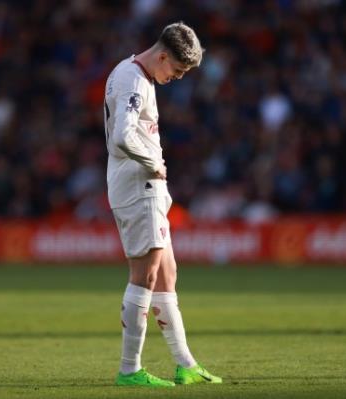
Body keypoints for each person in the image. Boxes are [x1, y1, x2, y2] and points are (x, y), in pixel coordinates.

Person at [103, 22, 222, 387]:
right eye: (177, 70)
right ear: (162, 55)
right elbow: (122, 137)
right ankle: (129, 369)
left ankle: (185, 363)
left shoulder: (129, 73)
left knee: (167, 273)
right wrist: (151, 161)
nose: (178, 77)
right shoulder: (135, 81)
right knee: (146, 276)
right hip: (140, 187)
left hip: (144, 188)